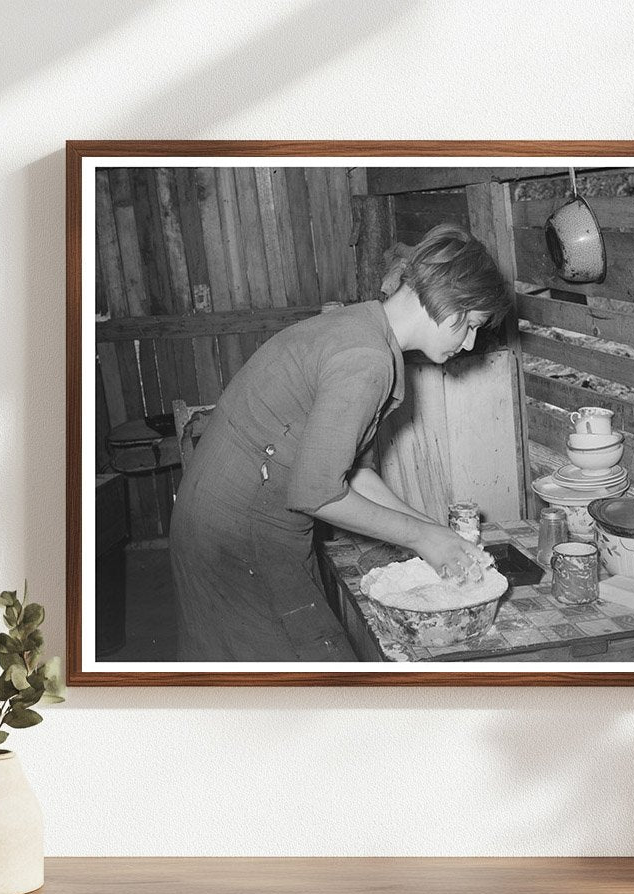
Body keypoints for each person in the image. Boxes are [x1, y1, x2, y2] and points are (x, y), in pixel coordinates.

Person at [169, 223, 513, 661]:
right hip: (237, 534)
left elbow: (354, 475)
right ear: (450, 300)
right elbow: (318, 493)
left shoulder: (364, 326)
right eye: (472, 326)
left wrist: (432, 533)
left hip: (218, 516)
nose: (469, 344)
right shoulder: (366, 360)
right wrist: (422, 540)